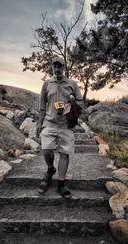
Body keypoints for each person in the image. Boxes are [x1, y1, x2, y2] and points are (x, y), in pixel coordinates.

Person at [37, 56, 83, 199]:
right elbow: (42, 107)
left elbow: (81, 104)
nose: (57, 69)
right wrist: (39, 124)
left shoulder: (72, 84)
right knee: (46, 150)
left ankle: (61, 184)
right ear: (52, 67)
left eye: (60, 66)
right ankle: (50, 169)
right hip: (49, 123)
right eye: (55, 66)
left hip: (65, 125)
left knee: (64, 153)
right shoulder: (46, 84)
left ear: (64, 68)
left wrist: (72, 102)